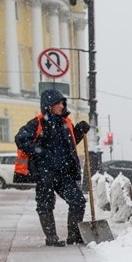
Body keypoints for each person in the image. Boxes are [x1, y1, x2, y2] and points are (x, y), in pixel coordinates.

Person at [15, 89, 90, 247]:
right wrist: (39, 152)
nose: (62, 106)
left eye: (63, 103)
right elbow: (21, 138)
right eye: (59, 103)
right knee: (45, 204)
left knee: (78, 202)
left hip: (64, 173)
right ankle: (51, 237)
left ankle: (74, 236)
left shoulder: (65, 123)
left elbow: (69, 145)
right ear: (49, 105)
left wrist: (79, 131)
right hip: (45, 173)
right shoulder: (38, 123)